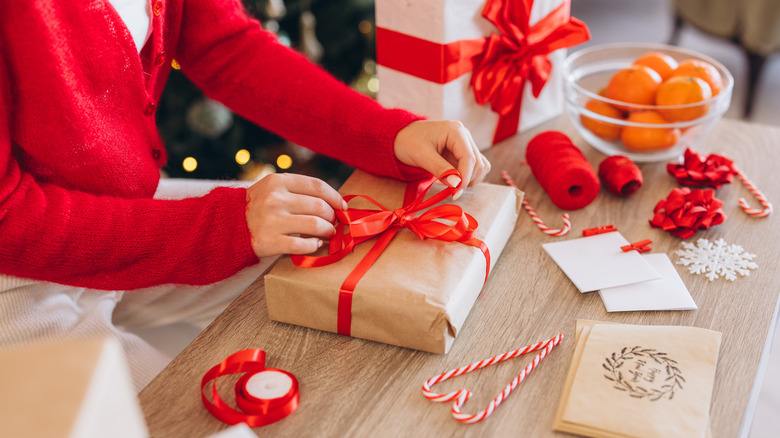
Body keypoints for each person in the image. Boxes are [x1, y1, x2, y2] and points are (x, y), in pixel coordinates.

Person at [0, 0, 490, 390]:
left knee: (340, 290)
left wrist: (389, 135)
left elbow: (225, 46)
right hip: (15, 284)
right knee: (211, 414)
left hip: (121, 219)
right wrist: (228, 227)